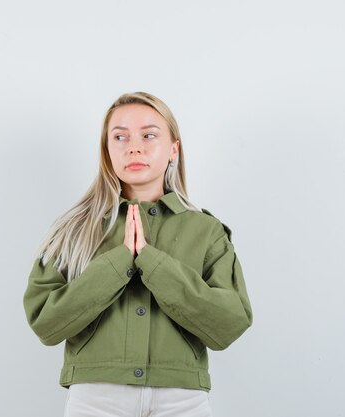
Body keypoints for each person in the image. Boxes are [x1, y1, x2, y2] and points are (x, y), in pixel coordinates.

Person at [23, 91, 253, 417]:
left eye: (149, 135)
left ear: (174, 148)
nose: (134, 147)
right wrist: (119, 262)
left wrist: (151, 261)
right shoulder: (72, 230)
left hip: (182, 400)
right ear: (107, 150)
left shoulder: (207, 231)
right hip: (96, 398)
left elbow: (229, 323)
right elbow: (46, 324)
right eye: (120, 137)